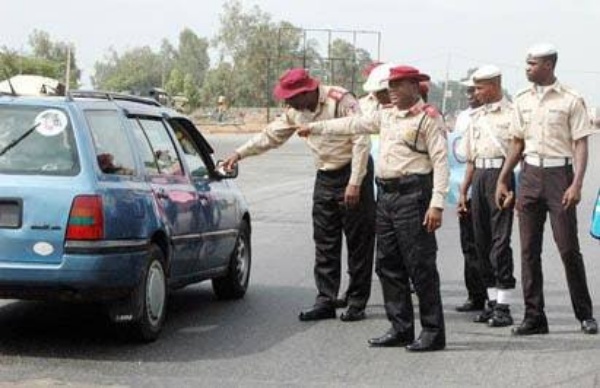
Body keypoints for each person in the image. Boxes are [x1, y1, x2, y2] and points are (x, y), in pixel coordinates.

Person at [298, 65, 449, 352]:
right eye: (389, 85)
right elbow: (351, 125)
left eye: (397, 85)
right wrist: (315, 128)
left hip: (413, 195)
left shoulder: (427, 118)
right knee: (388, 265)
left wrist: (437, 204)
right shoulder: (386, 115)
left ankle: (432, 331)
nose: (391, 90)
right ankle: (401, 327)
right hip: (387, 195)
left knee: (419, 266)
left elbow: (440, 162)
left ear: (414, 87)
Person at [222, 68, 376, 323]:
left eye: (291, 97)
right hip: (326, 175)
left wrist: (355, 182)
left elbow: (361, 139)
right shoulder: (297, 111)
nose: (287, 103)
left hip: (353, 172)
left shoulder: (341, 100)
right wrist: (239, 153)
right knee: (325, 241)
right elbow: (271, 135)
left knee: (359, 242)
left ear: (306, 92)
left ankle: (357, 301)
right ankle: (326, 299)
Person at [495, 43, 598, 335]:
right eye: (527, 63)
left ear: (549, 65)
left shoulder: (570, 99)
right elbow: (517, 142)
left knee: (568, 248)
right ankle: (534, 316)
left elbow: (580, 142)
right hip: (529, 174)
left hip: (559, 176)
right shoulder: (521, 99)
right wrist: (504, 178)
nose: (527, 68)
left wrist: (576, 183)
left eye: (532, 63)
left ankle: (585, 314)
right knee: (529, 250)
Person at [460, 65, 516, 327]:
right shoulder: (476, 117)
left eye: (480, 88)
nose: (476, 93)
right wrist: (463, 190)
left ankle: (504, 306)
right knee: (481, 243)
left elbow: (519, 149)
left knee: (500, 243)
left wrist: (507, 182)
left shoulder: (513, 113)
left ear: (494, 85)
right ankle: (492, 302)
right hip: (480, 177)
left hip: (501, 178)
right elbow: (471, 159)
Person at [453, 76, 488, 313]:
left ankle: (493, 296)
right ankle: (475, 295)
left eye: (474, 90)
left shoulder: (499, 115)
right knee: (469, 244)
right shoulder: (463, 117)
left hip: (489, 184)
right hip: (466, 184)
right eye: (467, 90)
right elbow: (457, 154)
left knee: (488, 243)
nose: (469, 95)